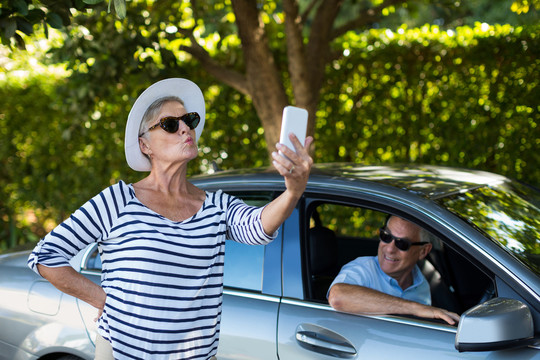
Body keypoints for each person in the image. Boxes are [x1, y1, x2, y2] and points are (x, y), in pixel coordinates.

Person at [27, 78, 314, 360]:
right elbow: (46, 256)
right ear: (145, 145)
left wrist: (293, 190)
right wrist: (103, 300)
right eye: (170, 124)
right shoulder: (118, 201)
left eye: (189, 120)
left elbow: (257, 226)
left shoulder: (214, 206)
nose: (185, 128)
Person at [327, 215, 460, 325]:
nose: (390, 249)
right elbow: (337, 297)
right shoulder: (362, 269)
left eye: (402, 243)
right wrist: (414, 308)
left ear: (423, 251)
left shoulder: (421, 284)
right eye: (386, 236)